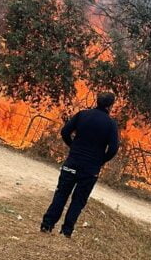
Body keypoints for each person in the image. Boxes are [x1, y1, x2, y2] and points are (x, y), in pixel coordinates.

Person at [40, 91, 119, 237]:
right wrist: (100, 160)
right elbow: (113, 149)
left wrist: (73, 147)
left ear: (98, 101)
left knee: (61, 194)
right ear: (110, 106)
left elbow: (65, 132)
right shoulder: (111, 124)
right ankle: (66, 231)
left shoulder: (82, 115)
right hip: (90, 169)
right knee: (78, 200)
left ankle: (47, 224)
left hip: (72, 162)